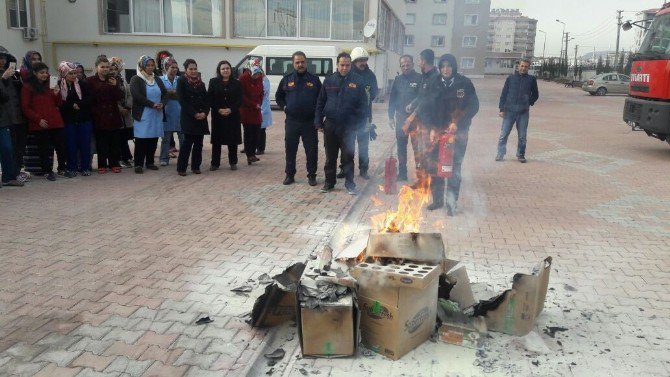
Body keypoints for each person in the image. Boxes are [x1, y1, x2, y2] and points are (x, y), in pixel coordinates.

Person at [421, 54, 479, 215]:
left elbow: (474, 106)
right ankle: (437, 200)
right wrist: (431, 127)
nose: (446, 69)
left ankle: (451, 203)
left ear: (454, 67)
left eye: (449, 66)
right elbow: (424, 107)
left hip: (458, 134)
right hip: (436, 133)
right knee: (435, 167)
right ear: (439, 68)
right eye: (443, 66)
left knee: (454, 168)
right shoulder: (432, 83)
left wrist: (457, 123)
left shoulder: (465, 84)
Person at [315, 52, 367, 195]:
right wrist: (318, 121)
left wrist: (359, 124)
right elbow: (320, 102)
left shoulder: (358, 81)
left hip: (348, 126)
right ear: (337, 65)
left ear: (351, 65)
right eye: (342, 65)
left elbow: (363, 105)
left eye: (347, 65)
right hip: (330, 125)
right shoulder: (329, 80)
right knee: (330, 156)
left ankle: (350, 184)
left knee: (348, 157)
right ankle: (329, 183)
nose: (344, 68)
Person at [276, 51, 321, 186]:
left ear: (306, 62)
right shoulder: (287, 79)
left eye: (302, 62)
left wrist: (319, 118)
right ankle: (290, 175)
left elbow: (321, 99)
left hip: (309, 122)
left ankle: (312, 175)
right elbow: (279, 97)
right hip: (292, 121)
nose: (300, 64)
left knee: (311, 150)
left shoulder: (314, 80)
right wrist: (284, 107)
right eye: (297, 62)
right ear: (293, 63)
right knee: (290, 149)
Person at [21, 62, 71, 181]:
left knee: (61, 147)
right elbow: (25, 107)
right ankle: (47, 171)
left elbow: (58, 104)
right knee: (43, 149)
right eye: (41, 73)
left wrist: (57, 94)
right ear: (34, 73)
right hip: (39, 123)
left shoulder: (52, 84)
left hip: (55, 121)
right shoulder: (27, 87)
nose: (45, 75)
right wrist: (38, 120)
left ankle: (62, 168)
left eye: (46, 72)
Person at [405, 49, 439, 186]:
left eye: (419, 60)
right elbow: (420, 96)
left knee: (427, 153)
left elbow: (429, 100)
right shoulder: (424, 76)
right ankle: (421, 181)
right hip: (420, 123)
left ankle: (429, 183)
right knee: (419, 153)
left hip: (429, 124)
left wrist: (414, 113)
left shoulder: (435, 78)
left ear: (424, 61)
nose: (419, 63)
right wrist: (411, 104)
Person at [496, 58, 539, 163]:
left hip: (523, 112)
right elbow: (504, 94)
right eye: (522, 66)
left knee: (522, 136)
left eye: (526, 67)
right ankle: (500, 154)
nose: (523, 68)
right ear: (518, 66)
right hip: (509, 111)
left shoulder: (531, 79)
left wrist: (529, 101)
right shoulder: (510, 78)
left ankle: (521, 154)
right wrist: (502, 109)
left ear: (528, 68)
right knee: (504, 134)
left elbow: (536, 94)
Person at [130, 55, 167, 174]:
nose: (151, 67)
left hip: (156, 114)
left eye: (152, 65)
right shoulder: (136, 79)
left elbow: (165, 94)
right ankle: (138, 164)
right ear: (142, 66)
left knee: (153, 138)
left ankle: (150, 162)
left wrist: (162, 103)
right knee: (141, 139)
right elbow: (137, 96)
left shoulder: (157, 79)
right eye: (148, 65)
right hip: (143, 114)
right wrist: (152, 104)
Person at [387, 54, 422, 181]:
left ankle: (420, 173)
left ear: (412, 64)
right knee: (401, 148)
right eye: (403, 65)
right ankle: (402, 173)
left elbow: (423, 98)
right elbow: (392, 99)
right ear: (400, 67)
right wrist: (390, 117)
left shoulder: (420, 78)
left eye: (408, 64)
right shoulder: (398, 80)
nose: (406, 67)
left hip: (416, 121)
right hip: (401, 120)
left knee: (417, 148)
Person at [346, 46, 378, 180]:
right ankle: (345, 169)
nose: (363, 62)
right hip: (349, 118)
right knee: (347, 146)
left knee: (363, 146)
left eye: (364, 60)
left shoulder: (370, 75)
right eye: (360, 60)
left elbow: (374, 93)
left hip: (365, 118)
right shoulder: (348, 75)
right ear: (354, 61)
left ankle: (364, 170)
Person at [88, 55, 124, 174]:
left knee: (114, 142)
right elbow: (90, 99)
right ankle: (102, 164)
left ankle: (114, 163)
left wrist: (115, 86)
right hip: (99, 116)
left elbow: (119, 97)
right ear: (96, 67)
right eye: (102, 67)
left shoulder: (113, 79)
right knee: (101, 143)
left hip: (113, 116)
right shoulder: (91, 81)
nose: (105, 69)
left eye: (107, 67)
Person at [58, 61, 93, 176]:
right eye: (70, 74)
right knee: (70, 145)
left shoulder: (82, 84)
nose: (74, 76)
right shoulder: (59, 85)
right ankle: (71, 167)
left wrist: (80, 104)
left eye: (74, 73)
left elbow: (90, 98)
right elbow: (59, 103)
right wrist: (71, 105)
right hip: (68, 120)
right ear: (64, 74)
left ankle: (85, 167)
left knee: (85, 144)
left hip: (83, 119)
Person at [0, 46, 30, 182]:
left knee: (17, 147)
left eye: (4, 58)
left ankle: (14, 173)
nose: (2, 61)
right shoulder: (4, 76)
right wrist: (3, 79)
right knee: (7, 147)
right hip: (4, 118)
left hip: (18, 117)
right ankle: (9, 175)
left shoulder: (13, 74)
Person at [176, 58, 209, 176]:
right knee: (187, 143)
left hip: (201, 118)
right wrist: (194, 113)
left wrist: (204, 113)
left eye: (195, 69)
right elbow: (182, 101)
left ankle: (196, 166)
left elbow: (206, 100)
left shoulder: (201, 83)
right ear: (186, 70)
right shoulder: (181, 81)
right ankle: (181, 168)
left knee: (199, 144)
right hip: (189, 118)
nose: (193, 71)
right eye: (191, 69)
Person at [208, 60, 242, 171]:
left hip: (233, 116)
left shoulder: (237, 83)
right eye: (223, 69)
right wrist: (218, 109)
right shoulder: (213, 82)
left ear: (231, 70)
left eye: (227, 68)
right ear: (219, 70)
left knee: (232, 140)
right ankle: (215, 163)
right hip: (218, 116)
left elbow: (240, 100)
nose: (225, 70)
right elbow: (210, 99)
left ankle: (233, 162)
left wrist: (231, 109)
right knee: (217, 141)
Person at [0, 71, 23, 187]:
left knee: (7, 147)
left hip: (2, 120)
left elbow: (5, 96)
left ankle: (8, 177)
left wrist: (2, 80)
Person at [239, 60, 264, 165]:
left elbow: (262, 92)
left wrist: (259, 103)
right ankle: (249, 155)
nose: (256, 76)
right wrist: (253, 104)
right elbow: (242, 95)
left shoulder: (259, 78)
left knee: (257, 132)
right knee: (248, 133)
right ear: (249, 70)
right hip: (246, 110)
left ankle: (253, 153)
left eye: (258, 74)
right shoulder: (243, 78)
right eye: (255, 74)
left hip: (256, 110)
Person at [109, 57, 133, 167]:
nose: (113, 71)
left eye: (115, 69)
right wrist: (120, 109)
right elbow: (112, 98)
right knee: (116, 138)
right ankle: (118, 159)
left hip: (125, 113)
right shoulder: (108, 81)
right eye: (111, 69)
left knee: (124, 136)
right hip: (115, 113)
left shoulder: (122, 79)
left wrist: (127, 107)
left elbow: (129, 94)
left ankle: (126, 157)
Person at [159, 57, 183, 166]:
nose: (174, 69)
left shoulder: (181, 80)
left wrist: (170, 93)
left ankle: (184, 158)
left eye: (176, 67)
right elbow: (162, 94)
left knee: (183, 139)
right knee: (165, 140)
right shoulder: (160, 80)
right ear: (166, 67)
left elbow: (182, 95)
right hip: (166, 114)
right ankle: (164, 158)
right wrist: (172, 93)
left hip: (180, 114)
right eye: (172, 67)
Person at [257, 72, 272, 155]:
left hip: (263, 107)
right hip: (256, 107)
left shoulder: (265, 80)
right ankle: (249, 146)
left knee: (261, 130)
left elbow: (264, 91)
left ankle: (261, 148)